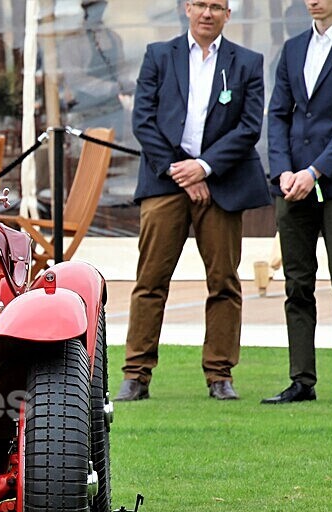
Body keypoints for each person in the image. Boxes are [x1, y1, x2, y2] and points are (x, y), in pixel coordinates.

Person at [114, 0, 270, 402]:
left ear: (228, 15)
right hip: (165, 182)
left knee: (223, 281)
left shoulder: (248, 62)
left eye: (216, 6)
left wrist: (204, 167)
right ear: (186, 9)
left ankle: (220, 375)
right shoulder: (158, 55)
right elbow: (143, 121)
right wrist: (180, 170)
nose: (207, 13)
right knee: (150, 282)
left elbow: (249, 127)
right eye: (200, 4)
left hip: (220, 184)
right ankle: (136, 374)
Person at [263, 0, 332, 406]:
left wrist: (316, 171)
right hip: (291, 185)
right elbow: (277, 115)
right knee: (297, 284)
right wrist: (283, 172)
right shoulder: (293, 47)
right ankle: (301, 381)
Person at [57, 0, 135, 141]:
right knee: (91, 152)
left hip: (115, 110)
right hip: (86, 112)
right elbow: (76, 80)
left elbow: (121, 69)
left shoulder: (114, 38)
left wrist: (127, 84)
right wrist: (112, 87)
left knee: (117, 149)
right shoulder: (73, 42)